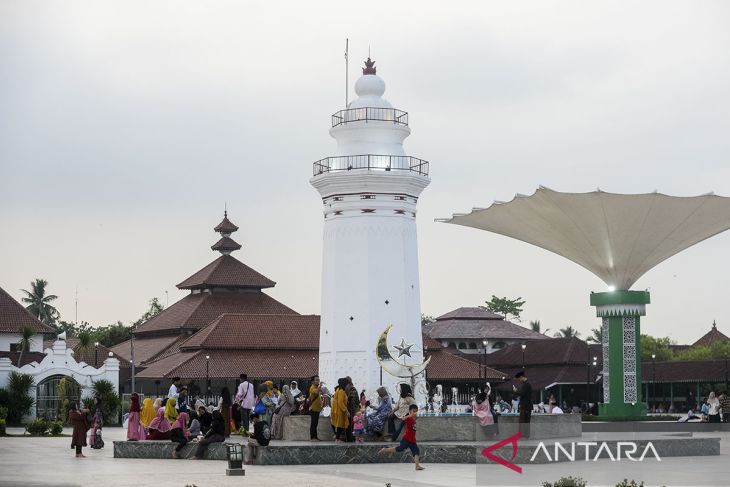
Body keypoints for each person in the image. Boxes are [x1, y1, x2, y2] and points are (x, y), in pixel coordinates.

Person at [378, 404, 424, 471]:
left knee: (416, 451)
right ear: (410, 411)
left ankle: (417, 466)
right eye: (413, 411)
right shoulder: (408, 418)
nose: (414, 413)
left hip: (412, 440)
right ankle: (385, 449)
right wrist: (410, 415)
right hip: (406, 439)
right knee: (399, 449)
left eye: (416, 411)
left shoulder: (413, 419)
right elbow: (403, 418)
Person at [513, 371, 533, 438]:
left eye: (519, 379)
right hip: (526, 406)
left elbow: (522, 393)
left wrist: (516, 391)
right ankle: (525, 435)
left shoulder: (526, 384)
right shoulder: (526, 384)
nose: (519, 380)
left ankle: (525, 435)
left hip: (526, 406)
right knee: (525, 421)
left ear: (521, 377)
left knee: (524, 421)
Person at [331, 378, 350, 442]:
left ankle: (337, 437)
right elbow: (340, 402)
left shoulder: (338, 390)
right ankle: (337, 439)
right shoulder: (341, 391)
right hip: (340, 411)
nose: (348, 386)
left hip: (337, 410)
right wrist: (346, 411)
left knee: (339, 424)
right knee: (340, 425)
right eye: (347, 384)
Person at [308, 375, 323, 441]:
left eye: (318, 380)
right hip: (313, 408)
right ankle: (312, 437)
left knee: (315, 423)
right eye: (316, 380)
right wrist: (320, 386)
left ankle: (315, 437)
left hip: (317, 409)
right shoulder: (312, 387)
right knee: (313, 423)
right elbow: (316, 392)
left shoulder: (316, 387)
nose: (318, 381)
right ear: (312, 382)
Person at [345, 378, 359, 442]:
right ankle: (350, 437)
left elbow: (353, 401)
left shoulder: (352, 389)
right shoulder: (349, 389)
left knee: (352, 424)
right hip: (351, 409)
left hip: (352, 410)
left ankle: (352, 438)